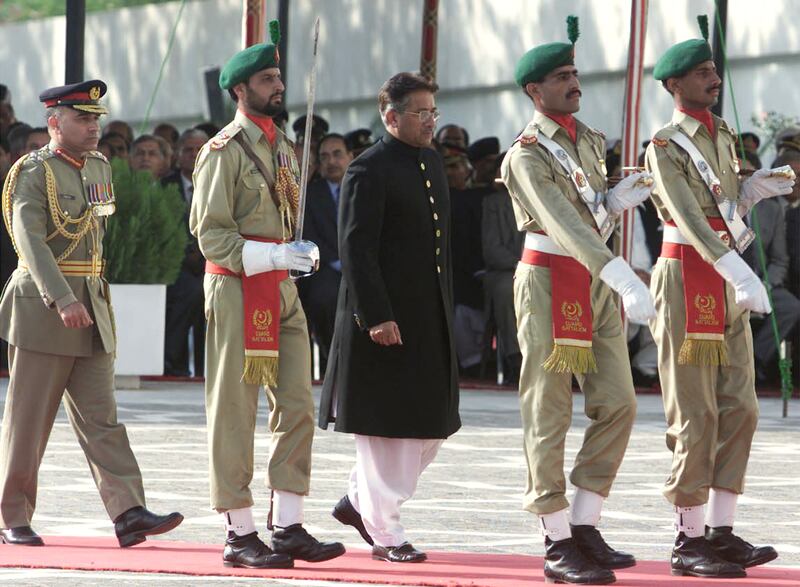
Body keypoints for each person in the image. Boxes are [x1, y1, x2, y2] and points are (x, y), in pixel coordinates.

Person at [502, 16, 656, 584]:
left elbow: (588, 207)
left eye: (575, 72)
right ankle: (555, 535)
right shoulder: (525, 154)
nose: (574, 82)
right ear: (534, 91)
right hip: (549, 278)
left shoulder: (588, 139)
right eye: (561, 76)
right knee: (548, 410)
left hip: (593, 278)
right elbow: (563, 222)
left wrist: (616, 199)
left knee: (619, 402)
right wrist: (621, 274)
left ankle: (585, 522)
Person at [0, 79, 183, 548]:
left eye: (96, 118)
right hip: (46, 307)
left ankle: (128, 512)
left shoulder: (98, 166)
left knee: (103, 418)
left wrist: (87, 297)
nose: (93, 127)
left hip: (92, 305)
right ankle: (12, 515)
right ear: (54, 121)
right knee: (29, 420)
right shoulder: (33, 172)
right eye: (82, 118)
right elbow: (30, 241)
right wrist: (62, 298)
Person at [189, 22, 345, 569]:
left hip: (281, 291)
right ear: (240, 90)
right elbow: (210, 233)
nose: (278, 85)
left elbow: (282, 218)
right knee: (234, 411)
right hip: (236, 288)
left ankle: (289, 524)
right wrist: (272, 255)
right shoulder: (223, 150)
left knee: (298, 406)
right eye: (266, 79)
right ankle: (238, 530)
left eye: (279, 76)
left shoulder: (284, 147)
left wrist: (298, 252)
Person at [646, 16, 795, 578]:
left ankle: (721, 530)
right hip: (689, 275)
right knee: (696, 412)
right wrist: (738, 270)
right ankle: (688, 539)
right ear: (673, 85)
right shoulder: (664, 145)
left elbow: (723, 205)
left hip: (728, 279)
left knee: (742, 408)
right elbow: (688, 215)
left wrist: (752, 190)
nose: (713, 78)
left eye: (713, 70)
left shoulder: (724, 134)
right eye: (701, 72)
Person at [319, 72, 460, 563]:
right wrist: (376, 315)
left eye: (432, 112)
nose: (430, 122)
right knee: (385, 435)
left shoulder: (430, 162)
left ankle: (359, 503)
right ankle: (386, 533)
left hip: (426, 316)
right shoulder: (368, 169)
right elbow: (357, 249)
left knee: (428, 427)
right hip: (381, 319)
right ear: (391, 116)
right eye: (421, 113)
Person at [297, 133, 352, 373]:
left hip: (363, 268)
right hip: (326, 269)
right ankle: (333, 362)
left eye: (337, 154)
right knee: (323, 296)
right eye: (325, 157)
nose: (332, 161)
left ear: (351, 156)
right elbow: (309, 236)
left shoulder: (365, 187)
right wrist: (337, 263)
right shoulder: (309, 194)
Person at [162, 128, 209, 377]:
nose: (193, 155)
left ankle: (208, 367)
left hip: (214, 260)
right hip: (175, 265)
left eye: (199, 149)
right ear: (177, 156)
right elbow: (161, 228)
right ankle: (174, 362)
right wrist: (186, 254)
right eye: (188, 150)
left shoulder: (220, 184)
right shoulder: (164, 187)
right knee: (191, 291)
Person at [481, 152, 523, 385]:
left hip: (542, 269)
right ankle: (517, 359)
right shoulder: (493, 204)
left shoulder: (543, 199)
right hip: (507, 271)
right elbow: (492, 249)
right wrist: (521, 265)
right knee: (509, 289)